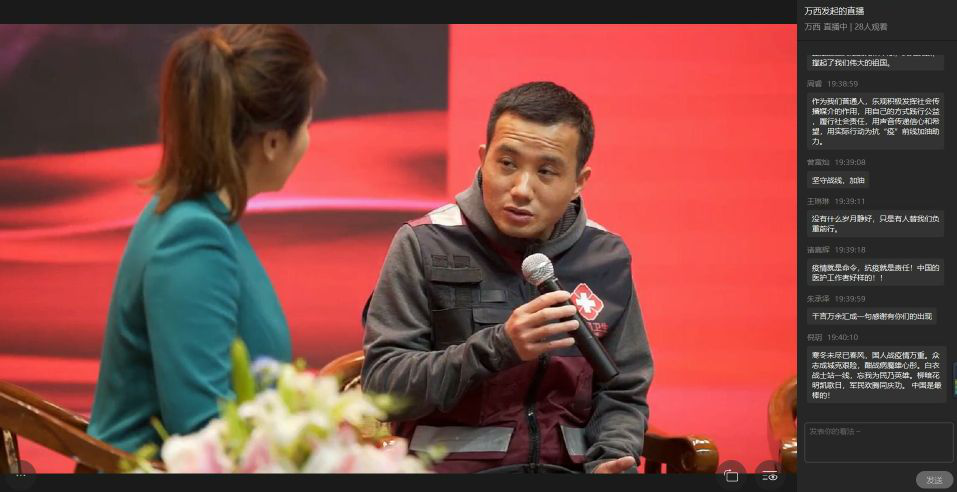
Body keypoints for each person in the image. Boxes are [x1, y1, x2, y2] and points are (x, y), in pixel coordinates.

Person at [361, 81, 653, 473]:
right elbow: (383, 386)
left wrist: (612, 456)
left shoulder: (605, 256)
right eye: (507, 164)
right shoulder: (424, 242)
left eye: (546, 171)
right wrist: (500, 347)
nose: (520, 189)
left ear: (578, 182)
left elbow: (623, 390)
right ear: (484, 159)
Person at [87, 24, 325, 453]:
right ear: (273, 142)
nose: (308, 140)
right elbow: (203, 427)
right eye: (307, 124)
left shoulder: (202, 219)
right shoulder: (193, 237)